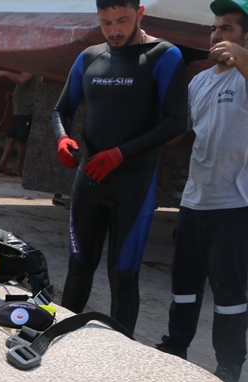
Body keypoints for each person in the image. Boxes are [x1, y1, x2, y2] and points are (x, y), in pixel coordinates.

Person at [51, 0, 188, 335]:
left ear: (139, 14)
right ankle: (60, 340)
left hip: (134, 184)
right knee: (79, 266)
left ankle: (122, 354)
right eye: (106, 22)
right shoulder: (89, 57)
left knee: (123, 273)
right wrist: (62, 139)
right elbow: (61, 110)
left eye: (122, 21)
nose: (113, 30)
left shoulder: (164, 55)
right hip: (89, 181)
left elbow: (175, 123)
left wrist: (120, 154)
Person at [156, 0, 248, 382]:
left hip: (234, 202)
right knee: (184, 284)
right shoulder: (200, 80)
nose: (216, 35)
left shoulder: (243, 78)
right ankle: (176, 347)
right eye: (213, 28)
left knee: (229, 291)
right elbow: (179, 132)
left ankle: (228, 365)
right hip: (195, 199)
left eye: (226, 28)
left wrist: (244, 58)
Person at [0, 70, 43, 177]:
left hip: (26, 110)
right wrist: (14, 95)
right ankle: (2, 164)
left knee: (21, 140)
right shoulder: (30, 66)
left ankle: (19, 168)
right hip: (19, 109)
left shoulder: (31, 65)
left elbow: (23, 79)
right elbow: (29, 87)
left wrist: (5, 73)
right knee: (10, 137)